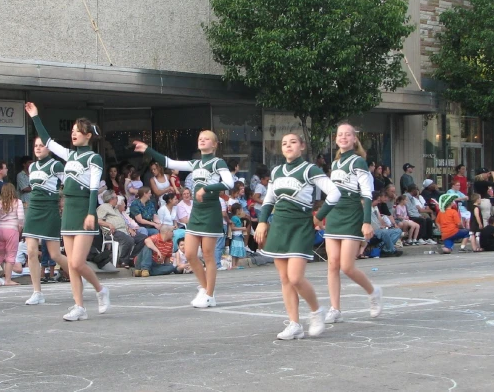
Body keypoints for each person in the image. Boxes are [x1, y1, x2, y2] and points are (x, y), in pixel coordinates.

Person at [25, 102, 110, 321]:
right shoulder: (69, 155)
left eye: (77, 132)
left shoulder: (94, 158)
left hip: (83, 209)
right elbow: (48, 141)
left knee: (76, 263)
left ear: (88, 135)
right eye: (72, 131)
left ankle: (101, 290)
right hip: (68, 210)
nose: (73, 135)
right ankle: (78, 306)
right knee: (71, 263)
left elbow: (93, 188)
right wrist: (35, 116)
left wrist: (92, 213)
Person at [132, 131, 234, 308]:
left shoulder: (218, 162)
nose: (202, 140)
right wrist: (148, 149)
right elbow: (168, 162)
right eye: (200, 137)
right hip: (196, 213)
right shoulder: (195, 163)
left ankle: (210, 294)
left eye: (207, 138)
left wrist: (207, 189)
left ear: (215, 144)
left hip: (210, 212)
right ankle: (204, 288)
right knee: (190, 253)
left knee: (208, 255)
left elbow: (229, 183)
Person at [254, 133, 341, 340]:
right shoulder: (276, 171)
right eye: (284, 143)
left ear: (302, 146)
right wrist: (262, 221)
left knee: (295, 277)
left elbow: (334, 193)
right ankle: (294, 324)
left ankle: (316, 311)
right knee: (285, 278)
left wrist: (319, 217)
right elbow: (269, 199)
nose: (288, 146)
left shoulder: (310, 169)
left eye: (293, 142)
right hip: (280, 225)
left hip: (301, 225)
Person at [319, 124, 382, 326]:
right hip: (335, 216)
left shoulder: (359, 162)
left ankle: (373, 292)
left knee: (347, 266)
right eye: (340, 134)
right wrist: (322, 216)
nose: (343, 137)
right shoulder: (336, 163)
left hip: (352, 215)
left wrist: (366, 222)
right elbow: (331, 194)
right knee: (332, 264)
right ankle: (335, 308)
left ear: (355, 139)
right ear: (336, 139)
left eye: (348, 134)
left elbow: (366, 194)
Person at [97, 190, 146, 268]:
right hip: (113, 232)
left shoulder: (115, 209)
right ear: (111, 199)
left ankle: (131, 257)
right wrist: (109, 224)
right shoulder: (103, 207)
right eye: (116, 197)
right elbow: (98, 220)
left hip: (124, 231)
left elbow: (122, 221)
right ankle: (123, 261)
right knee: (128, 240)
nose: (117, 200)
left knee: (143, 238)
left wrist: (129, 228)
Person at [0, 183, 24, 286]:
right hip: (12, 230)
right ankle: (8, 280)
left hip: (0, 230)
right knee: (11, 255)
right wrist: (19, 229)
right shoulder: (18, 202)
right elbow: (21, 218)